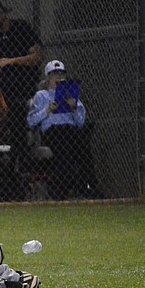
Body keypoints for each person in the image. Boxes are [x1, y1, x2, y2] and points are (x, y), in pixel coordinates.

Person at [0, 0, 42, 163]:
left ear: (1, 15)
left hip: (25, 86)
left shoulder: (21, 27)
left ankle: (21, 160)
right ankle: (1, 162)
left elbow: (36, 57)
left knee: (17, 112)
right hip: (4, 90)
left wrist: (12, 61)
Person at [27, 60, 97, 199]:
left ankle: (89, 187)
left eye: (61, 74)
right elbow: (31, 122)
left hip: (71, 130)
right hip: (53, 131)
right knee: (63, 148)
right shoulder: (42, 95)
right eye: (54, 75)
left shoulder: (71, 96)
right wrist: (48, 110)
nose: (58, 78)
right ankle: (62, 191)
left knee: (83, 148)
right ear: (48, 78)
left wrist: (74, 108)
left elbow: (81, 122)